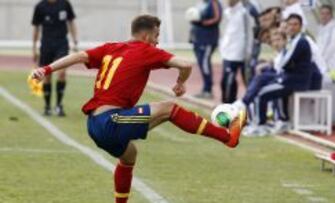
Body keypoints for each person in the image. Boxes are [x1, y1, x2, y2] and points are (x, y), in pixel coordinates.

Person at [31, 15, 247, 203]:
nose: (157, 41)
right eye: (156, 36)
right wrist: (181, 83)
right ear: (146, 36)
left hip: (95, 124)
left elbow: (78, 56)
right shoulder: (145, 50)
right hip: (111, 121)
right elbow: (186, 64)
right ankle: (228, 138)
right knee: (169, 108)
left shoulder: (111, 48)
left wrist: (46, 68)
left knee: (129, 156)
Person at [32, 0, 78, 116]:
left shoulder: (65, 4)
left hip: (62, 43)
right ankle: (47, 106)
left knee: (62, 73)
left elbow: (71, 22)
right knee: (46, 75)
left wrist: (75, 40)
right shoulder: (40, 6)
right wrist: (34, 48)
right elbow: (36, 28)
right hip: (46, 44)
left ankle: (58, 105)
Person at [220, 0, 253, 103]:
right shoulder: (227, 12)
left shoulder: (244, 13)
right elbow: (226, 33)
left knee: (247, 82)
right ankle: (227, 105)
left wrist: (248, 52)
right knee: (225, 82)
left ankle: (250, 105)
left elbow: (249, 33)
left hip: (240, 54)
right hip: (227, 53)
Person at [189, 0, 222, 99]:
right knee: (201, 63)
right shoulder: (201, 3)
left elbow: (217, 18)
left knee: (204, 63)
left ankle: (208, 90)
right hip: (197, 39)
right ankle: (205, 89)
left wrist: (202, 22)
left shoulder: (214, 2)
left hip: (208, 39)